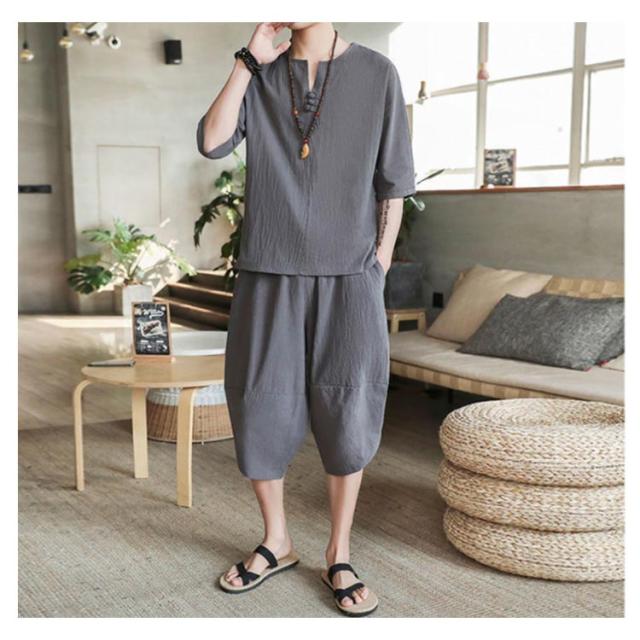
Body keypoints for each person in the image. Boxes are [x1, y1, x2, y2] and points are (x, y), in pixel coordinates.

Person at [196, 22, 415, 616]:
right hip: (267, 270)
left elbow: (394, 181)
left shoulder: (377, 73)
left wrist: (378, 265)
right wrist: (246, 63)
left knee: (350, 405)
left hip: (350, 277)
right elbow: (213, 142)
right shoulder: (261, 73)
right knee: (259, 401)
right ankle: (277, 541)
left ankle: (339, 551)